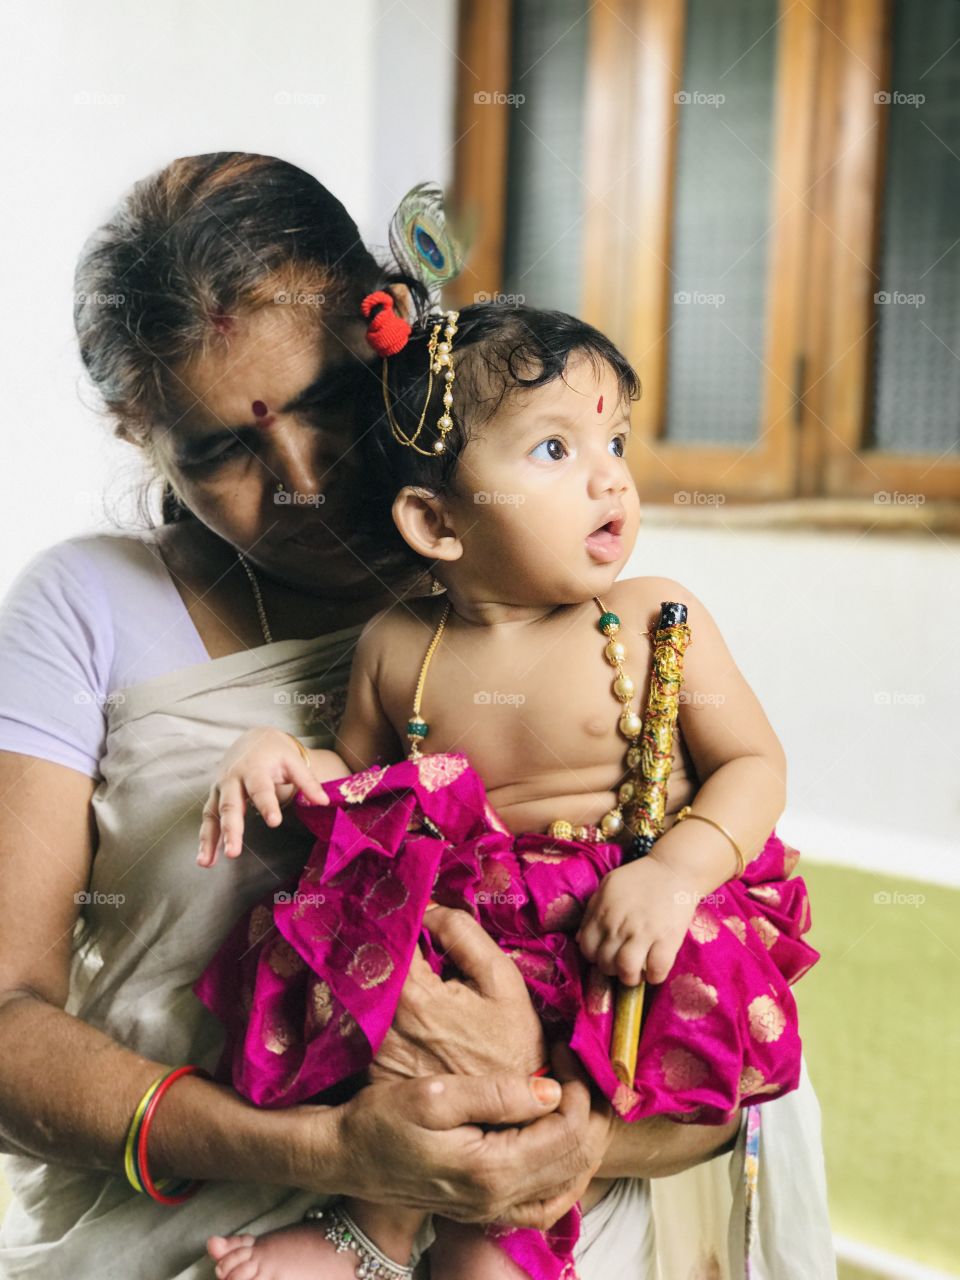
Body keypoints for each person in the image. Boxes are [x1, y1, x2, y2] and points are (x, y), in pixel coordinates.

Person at [0, 155, 771, 1280]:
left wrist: (553, 1130)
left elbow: (721, 1009)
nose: (303, 476)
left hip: (554, 1223)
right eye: (222, 447)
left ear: (388, 332)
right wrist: (326, 1148)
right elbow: (9, 1021)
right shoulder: (84, 607)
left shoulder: (553, 590)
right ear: (139, 431)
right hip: (205, 1241)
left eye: (322, 401)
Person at [194, 301, 827, 1280]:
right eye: (554, 449)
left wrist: (675, 872)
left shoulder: (656, 617)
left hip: (618, 930)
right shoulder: (399, 646)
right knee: (361, 984)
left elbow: (757, 766)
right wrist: (284, 758)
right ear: (437, 521)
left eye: (612, 439)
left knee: (497, 1209)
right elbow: (365, 792)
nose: (608, 473)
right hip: (474, 941)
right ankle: (373, 1223)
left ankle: (472, 1235)